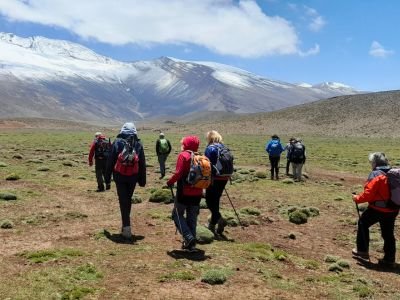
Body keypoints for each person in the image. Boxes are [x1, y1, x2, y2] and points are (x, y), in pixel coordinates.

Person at [352, 152, 399, 267]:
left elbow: (368, 194)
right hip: (393, 209)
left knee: (363, 223)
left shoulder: (376, 174)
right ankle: (389, 259)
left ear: (374, 163)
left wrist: (356, 198)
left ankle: (362, 251)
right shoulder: (395, 174)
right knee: (388, 233)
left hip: (377, 209)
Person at [105, 122, 146, 240]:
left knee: (123, 201)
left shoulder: (117, 142)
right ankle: (125, 225)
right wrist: (142, 180)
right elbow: (142, 163)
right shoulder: (138, 143)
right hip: (133, 176)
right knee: (127, 200)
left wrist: (107, 179)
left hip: (119, 176)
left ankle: (126, 228)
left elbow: (110, 161)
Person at [167, 136, 203, 251]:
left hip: (184, 192)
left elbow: (178, 173)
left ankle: (188, 237)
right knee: (192, 217)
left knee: (176, 215)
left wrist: (169, 182)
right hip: (198, 192)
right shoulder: (200, 157)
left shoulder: (184, 156)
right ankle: (191, 245)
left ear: (186, 144)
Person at [204, 130, 230, 235]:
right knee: (216, 200)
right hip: (225, 177)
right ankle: (212, 225)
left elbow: (207, 165)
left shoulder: (210, 148)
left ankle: (220, 220)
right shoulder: (224, 147)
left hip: (214, 178)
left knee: (209, 201)